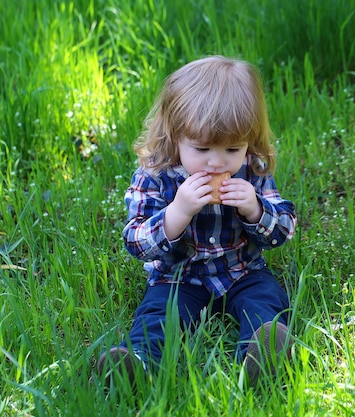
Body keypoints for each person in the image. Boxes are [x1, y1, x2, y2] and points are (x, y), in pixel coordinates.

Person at [97, 55, 297, 386]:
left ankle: (262, 356)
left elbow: (284, 228)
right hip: (178, 278)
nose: (217, 163)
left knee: (265, 300)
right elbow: (136, 242)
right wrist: (177, 212)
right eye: (202, 149)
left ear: (249, 141)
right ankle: (138, 366)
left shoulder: (252, 170)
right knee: (159, 317)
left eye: (233, 149)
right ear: (175, 136)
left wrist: (256, 209)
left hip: (242, 272)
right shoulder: (156, 175)